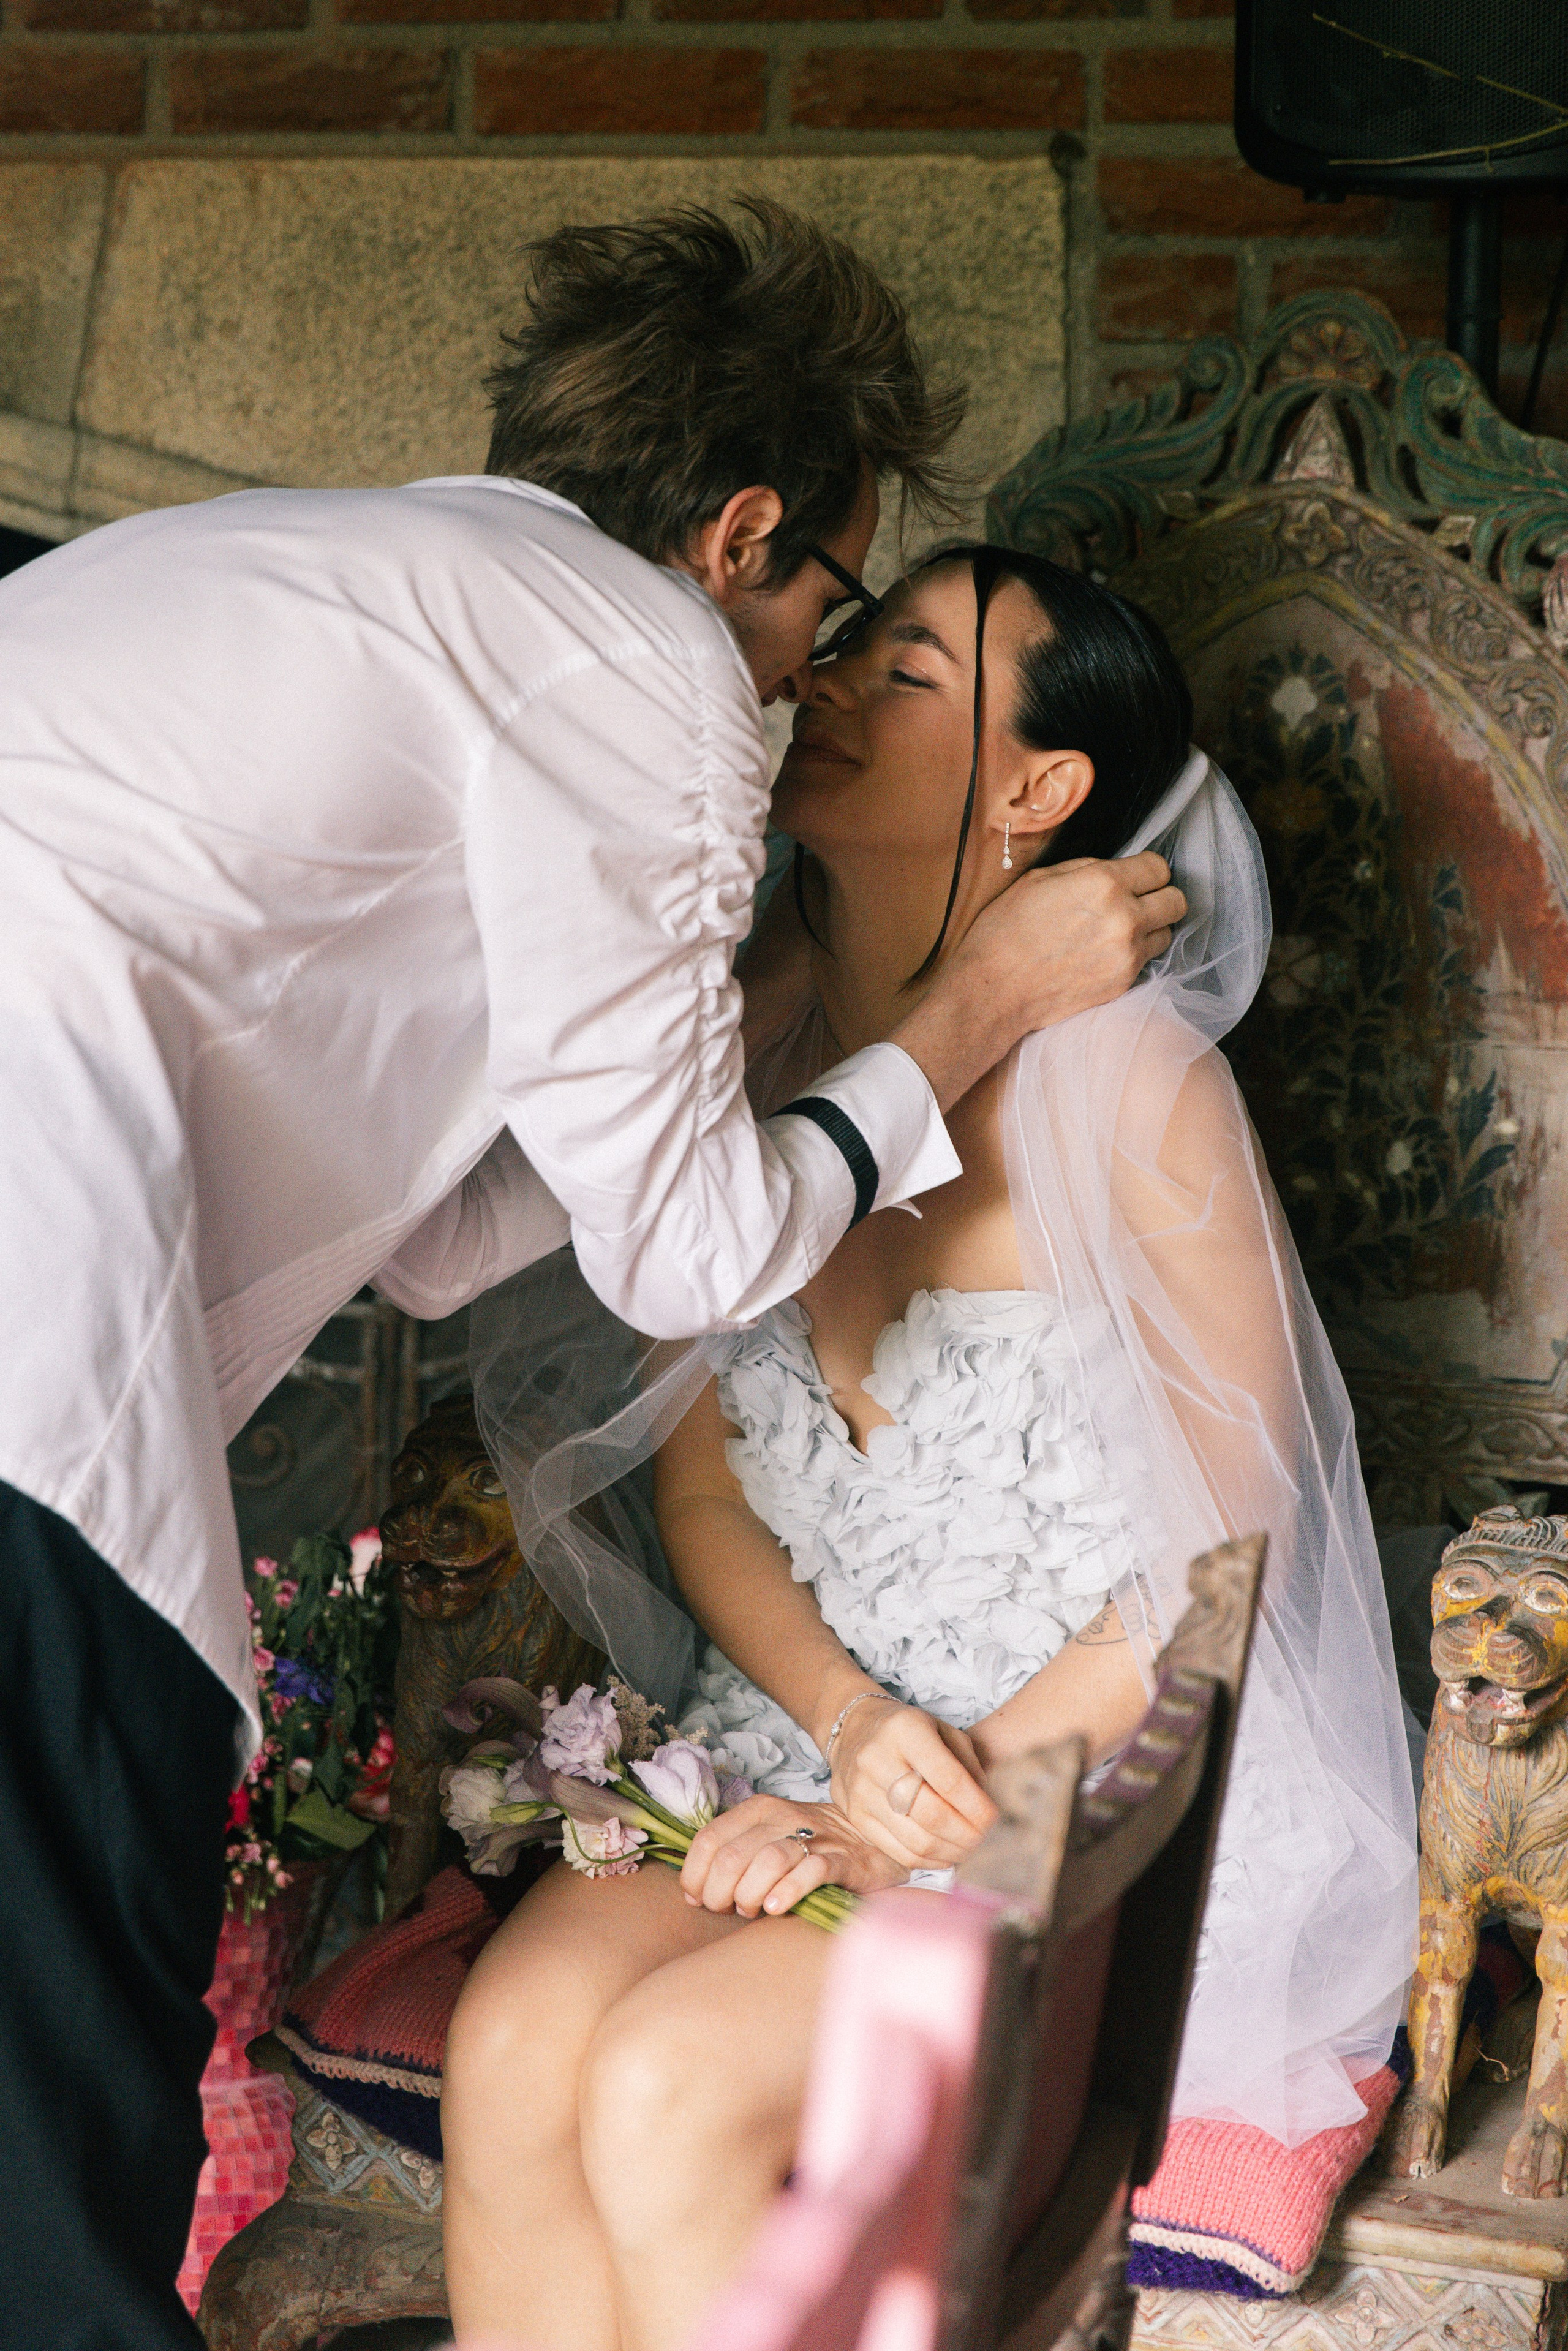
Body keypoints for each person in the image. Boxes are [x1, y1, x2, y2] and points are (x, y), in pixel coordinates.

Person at [0, 206, 1184, 2351]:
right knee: (55, 2122)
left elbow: (451, 1237)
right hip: (25, 1318)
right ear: (742, 535)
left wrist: (755, 1051)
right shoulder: (642, 662)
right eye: (840, 614)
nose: (813, 681)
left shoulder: (362, 585)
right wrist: (977, 1002)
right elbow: (696, 1247)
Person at [440, 546, 1419, 2351]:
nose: (825, 685)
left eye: (902, 677)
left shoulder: (1134, 1086)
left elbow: (1226, 1561)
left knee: (664, 2083)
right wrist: (846, 1729)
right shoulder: (734, 1051)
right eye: (847, 652)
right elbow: (705, 1480)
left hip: (1062, 1786)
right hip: (802, 1733)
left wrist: (924, 1799)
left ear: (1037, 791)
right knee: (511, 2049)